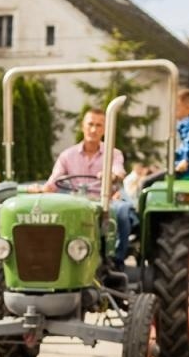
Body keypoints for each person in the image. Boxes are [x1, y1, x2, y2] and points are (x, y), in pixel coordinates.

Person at [46, 108, 134, 268]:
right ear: (83, 126)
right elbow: (53, 182)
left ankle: (117, 259)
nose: (93, 129)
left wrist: (111, 175)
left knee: (122, 212)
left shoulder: (113, 153)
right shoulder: (67, 155)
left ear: (105, 129)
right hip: (74, 202)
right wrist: (40, 189)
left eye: (98, 125)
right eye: (90, 124)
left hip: (103, 200)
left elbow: (119, 171)